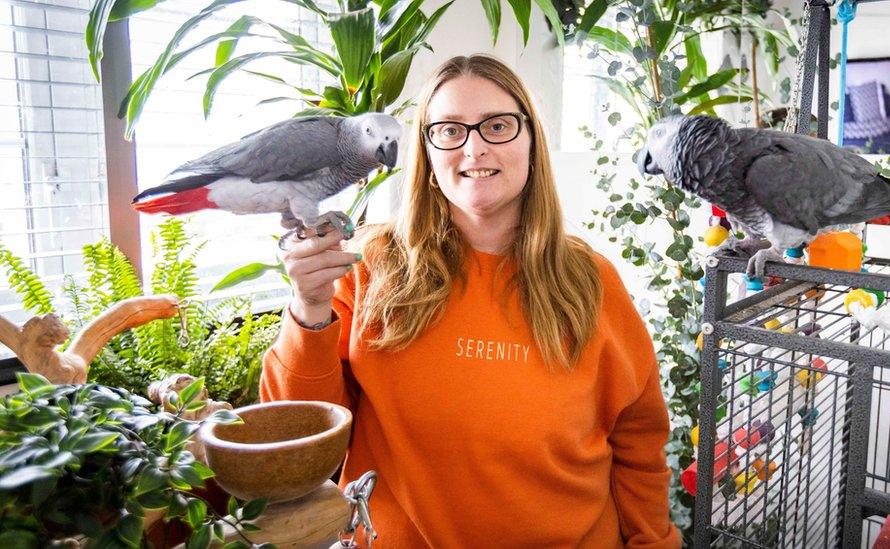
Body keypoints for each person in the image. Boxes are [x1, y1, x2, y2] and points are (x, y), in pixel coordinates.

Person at [260, 54, 679, 548]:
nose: (474, 148)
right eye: (450, 131)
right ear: (429, 154)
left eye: (497, 126)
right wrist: (309, 310)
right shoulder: (370, 266)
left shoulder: (591, 280)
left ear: (531, 143)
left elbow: (638, 442)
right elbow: (296, 444)